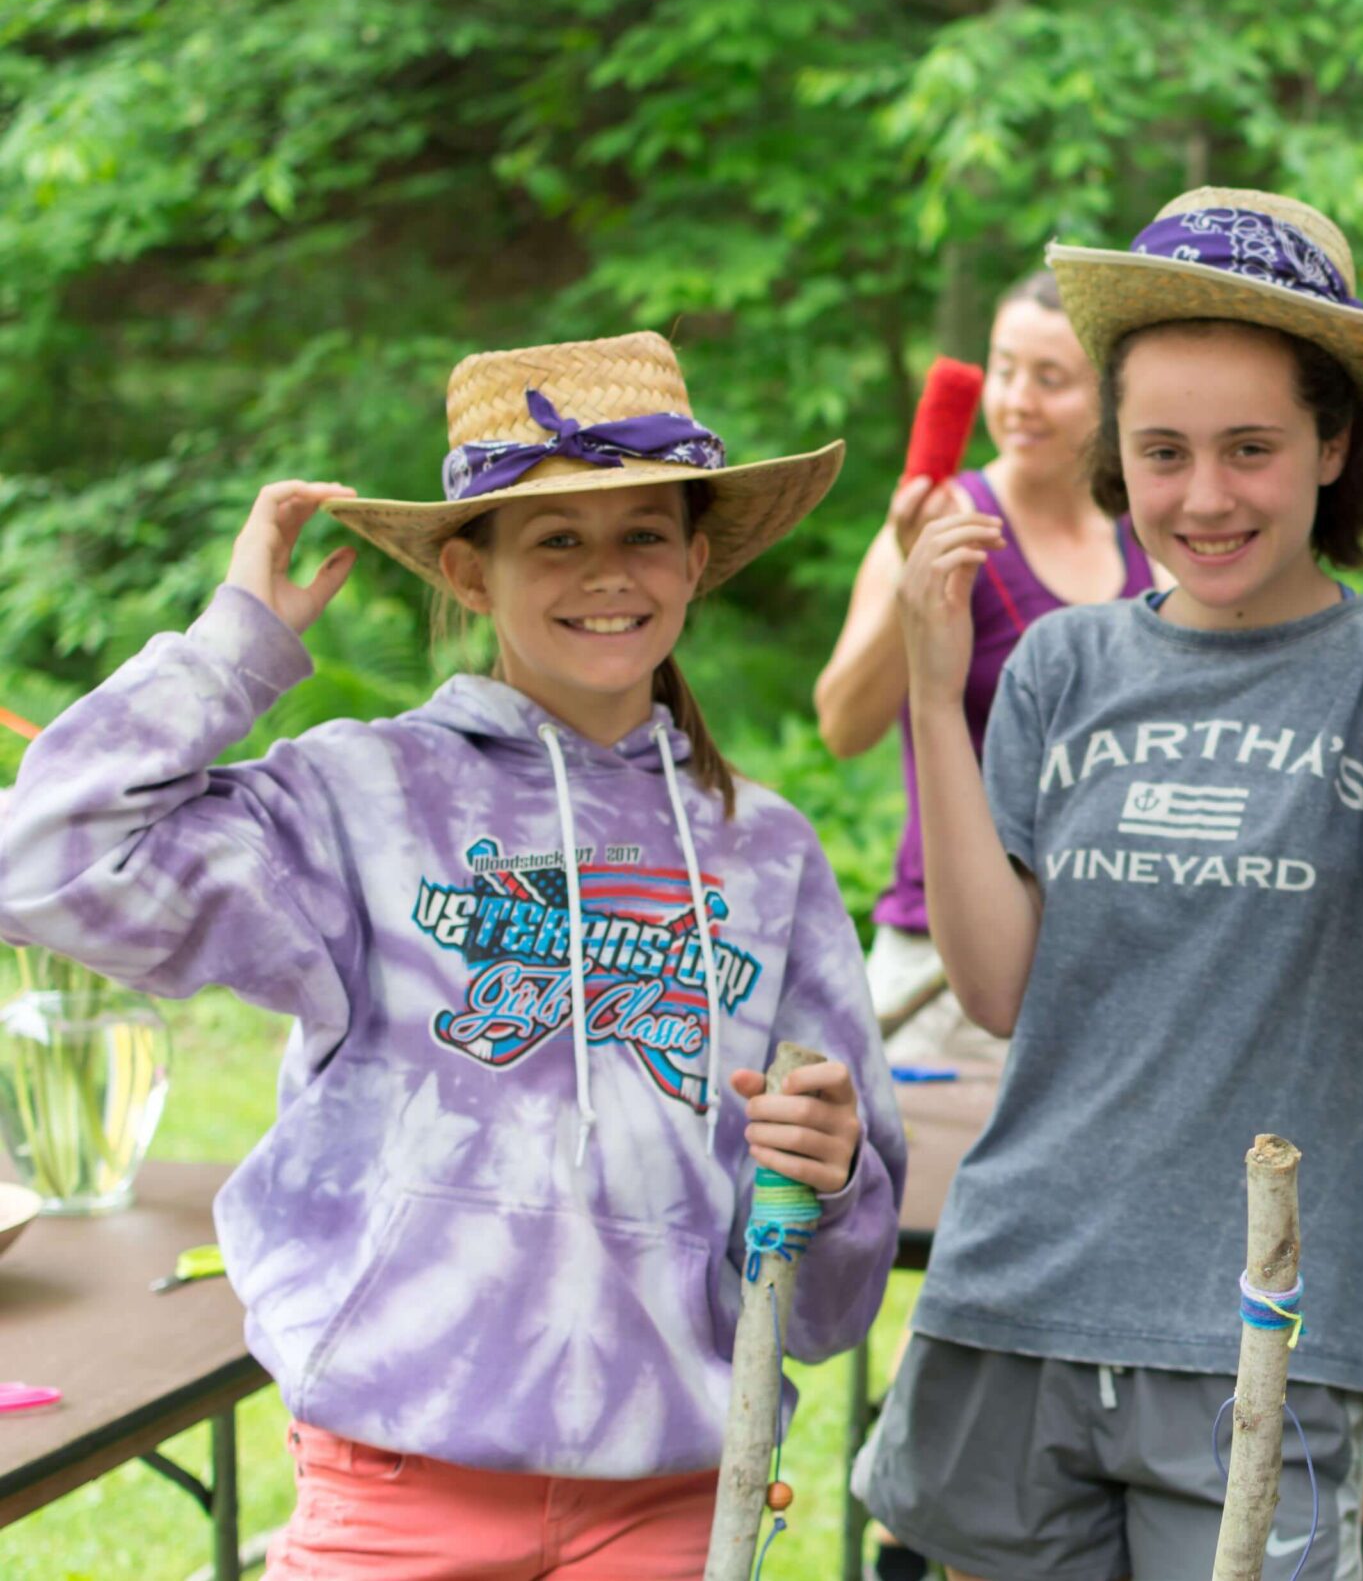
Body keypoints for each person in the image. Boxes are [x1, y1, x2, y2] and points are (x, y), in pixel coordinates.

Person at [0, 332, 905, 1578]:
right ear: (468, 572)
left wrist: (837, 1175)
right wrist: (234, 650)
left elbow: (828, 1305)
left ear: (697, 560)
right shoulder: (360, 797)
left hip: (676, 1499)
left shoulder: (766, 855)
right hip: (396, 1485)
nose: (608, 574)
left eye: (644, 534)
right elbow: (40, 863)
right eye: (555, 539)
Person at [853, 188, 1363, 1581]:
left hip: (1262, 1323)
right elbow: (996, 986)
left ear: (1337, 443)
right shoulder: (1063, 667)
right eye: (1162, 451)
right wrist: (931, 691)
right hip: (1023, 1288)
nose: (1203, 495)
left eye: (1252, 448)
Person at [814, 270, 1159, 1068]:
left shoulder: (1148, 536)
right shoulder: (943, 519)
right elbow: (842, 725)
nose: (1017, 400)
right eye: (1003, 369)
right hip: (945, 964)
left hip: (1109, 952)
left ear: (1110, 398)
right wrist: (914, 578)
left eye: (1051, 378)